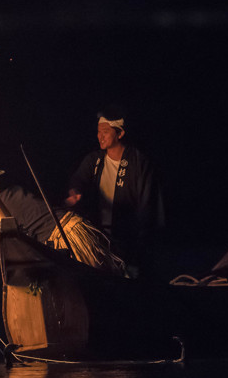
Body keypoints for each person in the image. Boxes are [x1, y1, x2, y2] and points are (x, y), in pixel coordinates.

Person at [0, 168, 124, 300]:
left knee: (94, 288)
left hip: (69, 235)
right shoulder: (14, 192)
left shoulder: (2, 212)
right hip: (74, 227)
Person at [64, 109, 164, 276]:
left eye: (105, 132)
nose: (99, 137)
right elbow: (79, 179)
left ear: (120, 133)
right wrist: (74, 192)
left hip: (128, 239)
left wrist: (142, 243)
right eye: (98, 132)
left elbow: (147, 205)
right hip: (100, 237)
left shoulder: (138, 162)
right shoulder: (95, 160)